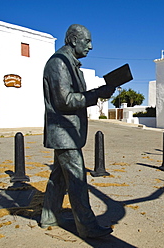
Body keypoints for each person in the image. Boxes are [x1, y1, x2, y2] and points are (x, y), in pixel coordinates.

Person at [40, 24, 115, 238]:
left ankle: (49, 215)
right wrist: (96, 95)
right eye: (87, 41)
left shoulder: (70, 64)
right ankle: (87, 226)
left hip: (66, 133)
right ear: (73, 40)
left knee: (59, 177)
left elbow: (74, 95)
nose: (91, 46)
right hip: (64, 133)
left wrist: (99, 92)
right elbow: (64, 101)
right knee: (77, 179)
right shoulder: (59, 63)